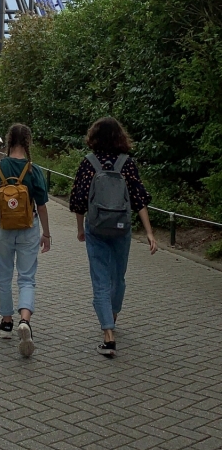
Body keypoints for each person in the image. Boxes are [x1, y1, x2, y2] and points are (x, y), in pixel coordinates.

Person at [69, 116, 156, 358]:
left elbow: (77, 200)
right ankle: (113, 313)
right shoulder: (127, 164)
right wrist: (149, 232)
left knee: (100, 279)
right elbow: (139, 198)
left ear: (93, 137)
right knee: (118, 277)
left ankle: (108, 334)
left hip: (95, 228)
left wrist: (79, 228)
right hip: (121, 228)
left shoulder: (88, 164)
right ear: (120, 137)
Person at [0, 123, 51, 357]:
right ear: (28, 142)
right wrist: (47, 234)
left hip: (3, 228)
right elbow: (42, 206)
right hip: (29, 228)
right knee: (27, 277)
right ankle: (25, 320)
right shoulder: (33, 170)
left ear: (9, 141)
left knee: (4, 275)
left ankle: (6, 323)